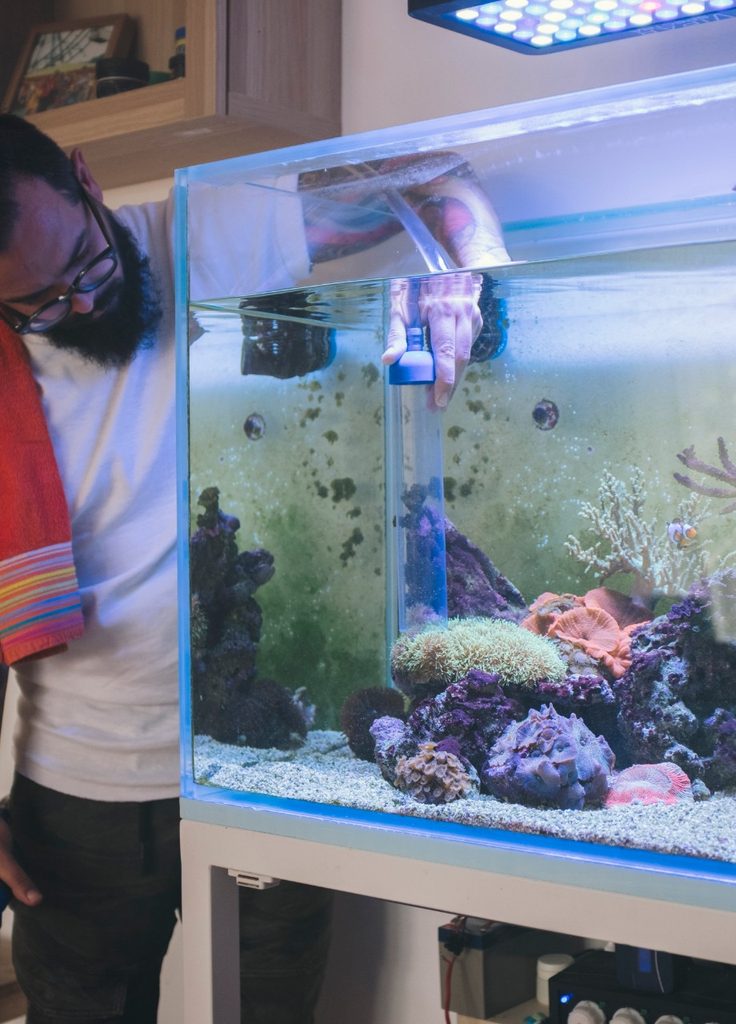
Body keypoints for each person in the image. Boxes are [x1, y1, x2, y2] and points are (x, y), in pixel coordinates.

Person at [0, 113, 510, 1023]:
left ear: (86, 179)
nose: (75, 307)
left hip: (252, 765)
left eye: (84, 264)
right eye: (34, 304)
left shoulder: (196, 231)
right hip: (75, 800)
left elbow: (439, 174)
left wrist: (461, 272)